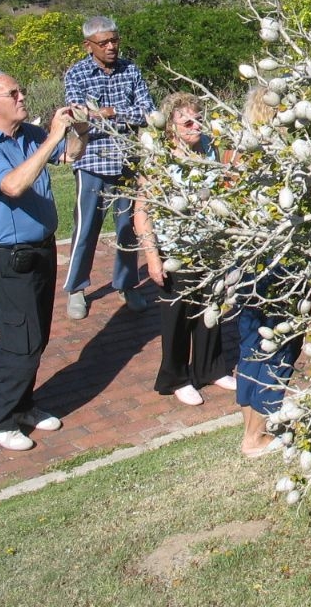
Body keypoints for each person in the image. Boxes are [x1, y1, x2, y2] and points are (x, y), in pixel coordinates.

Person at [0, 70, 88, 450]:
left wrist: (78, 130)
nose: (22, 96)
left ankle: (23, 405)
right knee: (21, 339)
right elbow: (14, 186)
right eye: (12, 93)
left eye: (21, 90)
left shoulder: (26, 136)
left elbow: (68, 155)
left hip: (41, 249)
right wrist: (52, 135)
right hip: (10, 257)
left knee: (38, 335)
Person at [132, 92, 234, 406]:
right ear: (170, 127)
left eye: (198, 119)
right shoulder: (160, 159)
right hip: (176, 249)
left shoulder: (208, 149)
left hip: (210, 246)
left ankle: (210, 368)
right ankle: (175, 376)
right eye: (186, 121)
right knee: (177, 317)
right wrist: (152, 257)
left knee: (210, 309)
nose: (195, 125)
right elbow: (142, 211)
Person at [61, 15, 155, 319]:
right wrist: (103, 116)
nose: (112, 46)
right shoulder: (75, 74)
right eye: (104, 43)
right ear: (89, 46)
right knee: (86, 228)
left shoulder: (131, 70)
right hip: (91, 161)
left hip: (128, 160)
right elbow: (80, 118)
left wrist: (110, 111)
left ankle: (127, 284)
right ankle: (76, 288)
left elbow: (149, 113)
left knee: (128, 228)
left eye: (115, 40)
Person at [234, 87, 303, 458]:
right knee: (280, 344)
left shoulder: (241, 148)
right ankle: (257, 437)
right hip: (280, 260)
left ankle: (251, 429)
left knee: (251, 345)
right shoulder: (283, 154)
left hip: (246, 259)